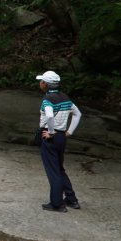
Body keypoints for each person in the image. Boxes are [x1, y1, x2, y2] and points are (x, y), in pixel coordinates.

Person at [36, 70, 82, 212]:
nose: (40, 83)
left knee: (53, 171)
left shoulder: (48, 100)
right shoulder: (65, 97)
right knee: (60, 169)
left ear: (45, 84)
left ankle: (57, 204)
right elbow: (78, 114)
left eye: (41, 81)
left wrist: (50, 133)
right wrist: (69, 131)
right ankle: (71, 199)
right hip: (61, 136)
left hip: (50, 137)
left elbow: (49, 116)